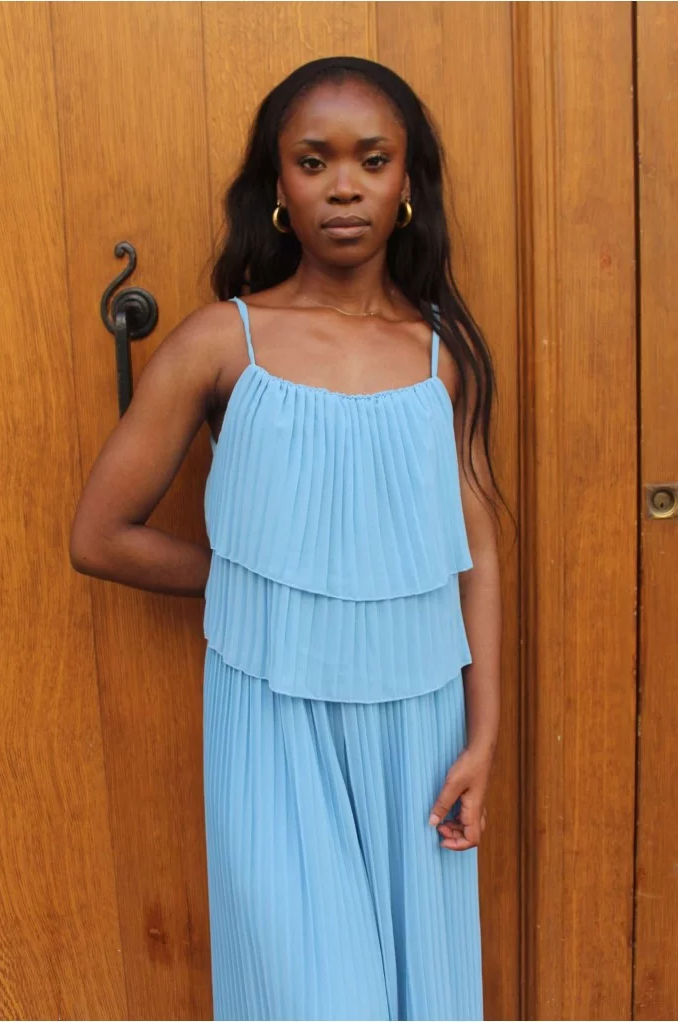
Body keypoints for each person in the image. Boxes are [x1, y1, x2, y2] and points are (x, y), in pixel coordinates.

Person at [70, 55, 506, 1022]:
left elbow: (476, 553)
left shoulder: (442, 357)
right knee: (315, 999)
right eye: (314, 162)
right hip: (271, 721)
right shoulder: (220, 343)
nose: (344, 186)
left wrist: (482, 739)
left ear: (407, 184)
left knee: (422, 998)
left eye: (372, 160)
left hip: (419, 724)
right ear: (278, 186)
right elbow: (102, 536)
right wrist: (266, 581)